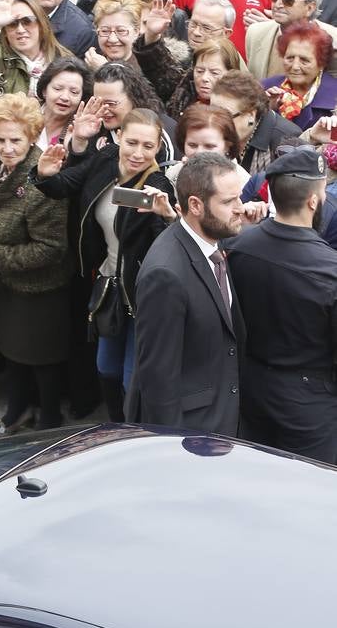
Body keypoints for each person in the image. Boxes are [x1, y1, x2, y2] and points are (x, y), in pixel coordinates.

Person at [32, 108, 176, 422]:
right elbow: (64, 186)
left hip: (141, 295)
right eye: (132, 142)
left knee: (129, 378)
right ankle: (114, 427)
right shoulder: (105, 160)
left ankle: (131, 435)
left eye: (148, 146)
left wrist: (168, 217)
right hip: (109, 286)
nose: (138, 153)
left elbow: (168, 248)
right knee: (105, 368)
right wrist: (43, 174)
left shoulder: (157, 184)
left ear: (158, 149)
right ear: (119, 137)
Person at [226, 148, 337, 464]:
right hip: (310, 400)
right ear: (314, 201)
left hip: (251, 385)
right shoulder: (330, 269)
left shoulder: (237, 247)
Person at [0, 94, 69, 434]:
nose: (7, 148)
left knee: (42, 360)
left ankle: (50, 423)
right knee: (13, 354)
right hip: (7, 285)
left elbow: (51, 248)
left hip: (40, 289)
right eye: (0, 140)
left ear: (31, 137)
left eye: (16, 140)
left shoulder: (41, 178)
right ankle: (17, 412)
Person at [125, 152, 245, 436]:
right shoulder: (165, 274)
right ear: (195, 205)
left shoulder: (212, 244)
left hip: (220, 415)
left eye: (238, 197)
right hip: (191, 432)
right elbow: (158, 379)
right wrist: (173, 448)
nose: (240, 207)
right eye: (228, 202)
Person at [0, 0, 72, 98]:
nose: (20, 30)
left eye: (28, 21)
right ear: (5, 31)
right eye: (12, 23)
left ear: (41, 25)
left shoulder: (63, 60)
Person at [211, 70, 301, 175]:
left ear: (251, 115)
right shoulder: (209, 133)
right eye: (212, 112)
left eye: (225, 115)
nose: (216, 122)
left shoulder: (285, 139)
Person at [245, 0, 337, 80]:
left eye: (288, 0)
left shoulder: (334, 40)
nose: (278, 4)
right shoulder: (255, 33)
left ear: (309, 8)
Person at [262, 20, 337, 132]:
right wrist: (267, 110)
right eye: (290, 58)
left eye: (304, 60)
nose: (295, 66)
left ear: (321, 63)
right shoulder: (263, 89)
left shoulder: (334, 96)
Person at [166, 103, 250, 193]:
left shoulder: (242, 182)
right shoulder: (174, 174)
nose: (199, 152)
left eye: (209, 146)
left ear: (227, 146)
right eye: (192, 145)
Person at [173, 0, 270, 58]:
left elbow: (282, 42)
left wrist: (271, 28)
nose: (197, 32)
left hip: (249, 73)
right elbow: (171, 24)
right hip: (192, 69)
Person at [167, 37, 240, 121]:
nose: (204, 78)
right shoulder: (179, 101)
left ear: (231, 74)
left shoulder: (239, 115)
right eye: (199, 71)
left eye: (214, 73)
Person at [36, 56, 92, 149]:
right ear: (44, 90)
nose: (65, 97)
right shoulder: (23, 115)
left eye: (74, 92)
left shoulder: (82, 130)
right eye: (58, 89)